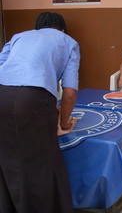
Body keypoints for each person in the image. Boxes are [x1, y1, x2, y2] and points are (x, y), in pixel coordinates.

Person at [0, 12, 80, 213]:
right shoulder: (68, 42)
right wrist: (63, 124)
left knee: (8, 155)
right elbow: (69, 93)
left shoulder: (19, 36)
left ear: (37, 27)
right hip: (33, 100)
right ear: (62, 28)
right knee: (44, 160)